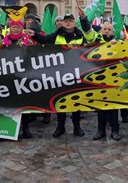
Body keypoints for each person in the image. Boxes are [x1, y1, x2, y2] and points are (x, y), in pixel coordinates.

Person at [27, 9, 97, 138]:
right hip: (61, 74)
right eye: (66, 21)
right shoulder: (57, 34)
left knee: (76, 100)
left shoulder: (81, 35)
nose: (68, 23)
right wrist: (34, 35)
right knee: (61, 100)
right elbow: (45, 40)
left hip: (77, 73)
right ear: (63, 23)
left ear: (75, 23)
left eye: (71, 21)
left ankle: (77, 126)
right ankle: (61, 126)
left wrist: (84, 19)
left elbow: (91, 37)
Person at [92, 22, 121, 141]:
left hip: (113, 78)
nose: (107, 31)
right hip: (99, 77)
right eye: (105, 29)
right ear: (101, 31)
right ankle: (101, 131)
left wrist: (118, 46)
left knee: (114, 107)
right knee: (100, 107)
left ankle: (115, 131)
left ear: (113, 31)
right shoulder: (96, 42)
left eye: (109, 29)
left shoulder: (119, 42)